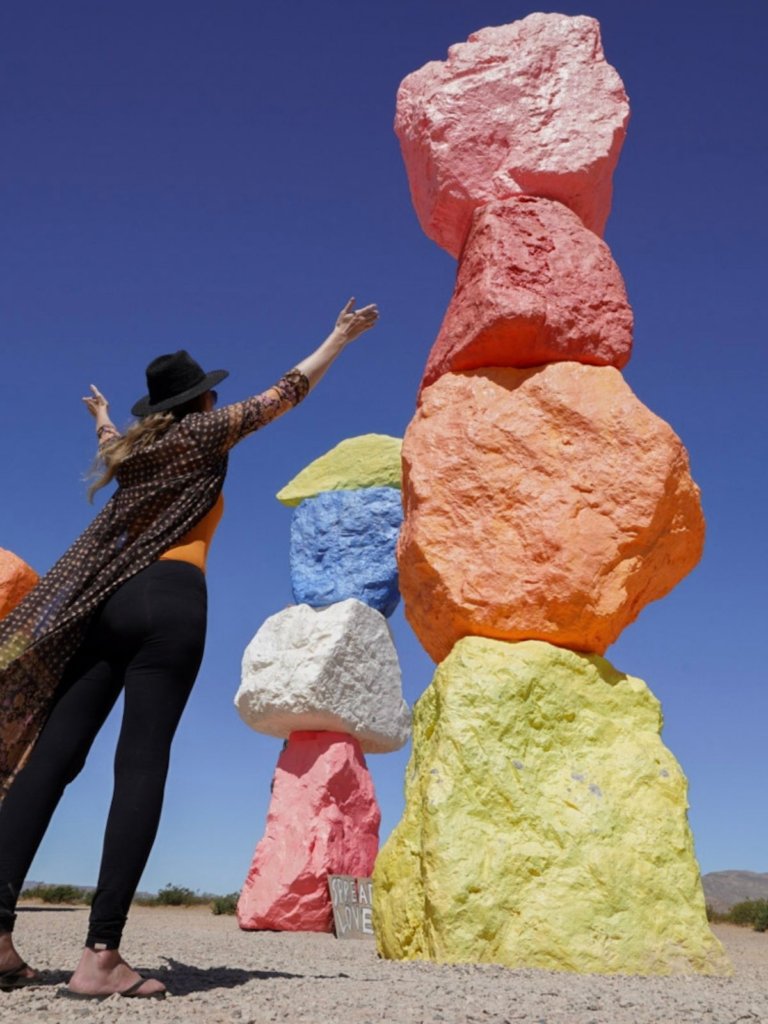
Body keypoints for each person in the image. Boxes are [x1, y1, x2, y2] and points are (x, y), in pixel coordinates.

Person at [0, 298, 378, 999]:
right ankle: (102, 955)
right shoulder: (205, 434)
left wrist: (103, 419)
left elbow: (113, 442)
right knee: (140, 761)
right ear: (202, 399)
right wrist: (338, 336)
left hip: (103, 604)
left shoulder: (135, 453)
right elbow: (286, 393)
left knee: (52, 761)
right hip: (169, 602)